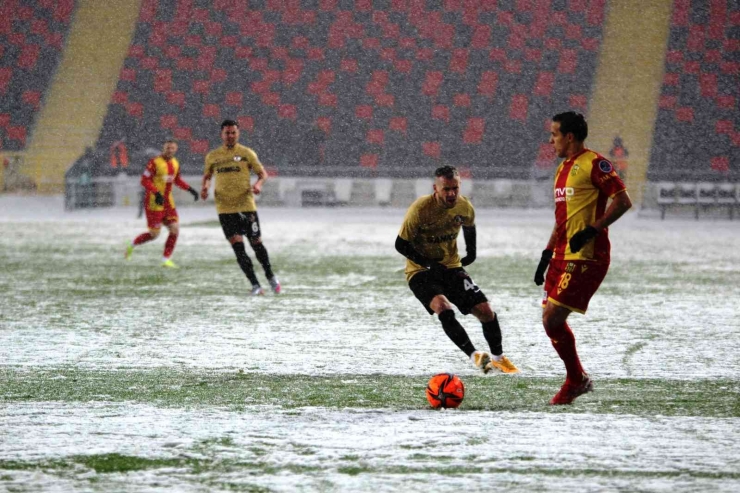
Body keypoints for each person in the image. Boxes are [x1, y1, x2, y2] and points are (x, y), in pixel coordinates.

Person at [534, 111, 632, 405]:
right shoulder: (562, 169)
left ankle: (575, 380)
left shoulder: (595, 164)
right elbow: (562, 219)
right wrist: (546, 254)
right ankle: (576, 379)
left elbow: (623, 201)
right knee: (549, 321)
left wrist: (592, 230)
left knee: (552, 317)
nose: (551, 140)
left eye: (554, 134)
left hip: (587, 255)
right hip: (562, 254)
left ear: (570, 136)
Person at [396, 165, 518, 374]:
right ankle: (475, 356)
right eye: (446, 189)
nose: (451, 193)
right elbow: (400, 244)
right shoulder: (420, 209)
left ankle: (499, 359)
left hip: (451, 267)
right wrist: (428, 263)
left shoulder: (464, 206)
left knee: (486, 311)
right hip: (420, 271)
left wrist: (471, 252)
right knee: (443, 308)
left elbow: (469, 225)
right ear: (436, 188)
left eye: (455, 188)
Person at [201, 119, 280, 296]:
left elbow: (263, 174)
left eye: (233, 132)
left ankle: (270, 276)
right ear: (221, 134)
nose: (230, 136)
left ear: (238, 133)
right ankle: (255, 285)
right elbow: (207, 176)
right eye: (227, 133)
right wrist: (205, 187)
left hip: (246, 206)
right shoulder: (213, 156)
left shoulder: (246, 153)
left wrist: (258, 184)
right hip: (224, 207)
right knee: (238, 245)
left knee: (256, 242)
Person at [124, 140, 198, 267]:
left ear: (176, 149)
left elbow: (177, 180)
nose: (170, 150)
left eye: (172, 148)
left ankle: (165, 259)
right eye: (168, 148)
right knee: (154, 235)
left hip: (168, 202)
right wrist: (156, 193)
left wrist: (190, 190)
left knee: (175, 229)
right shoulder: (154, 162)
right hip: (154, 202)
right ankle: (131, 245)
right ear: (164, 148)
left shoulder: (175, 163)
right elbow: (144, 180)